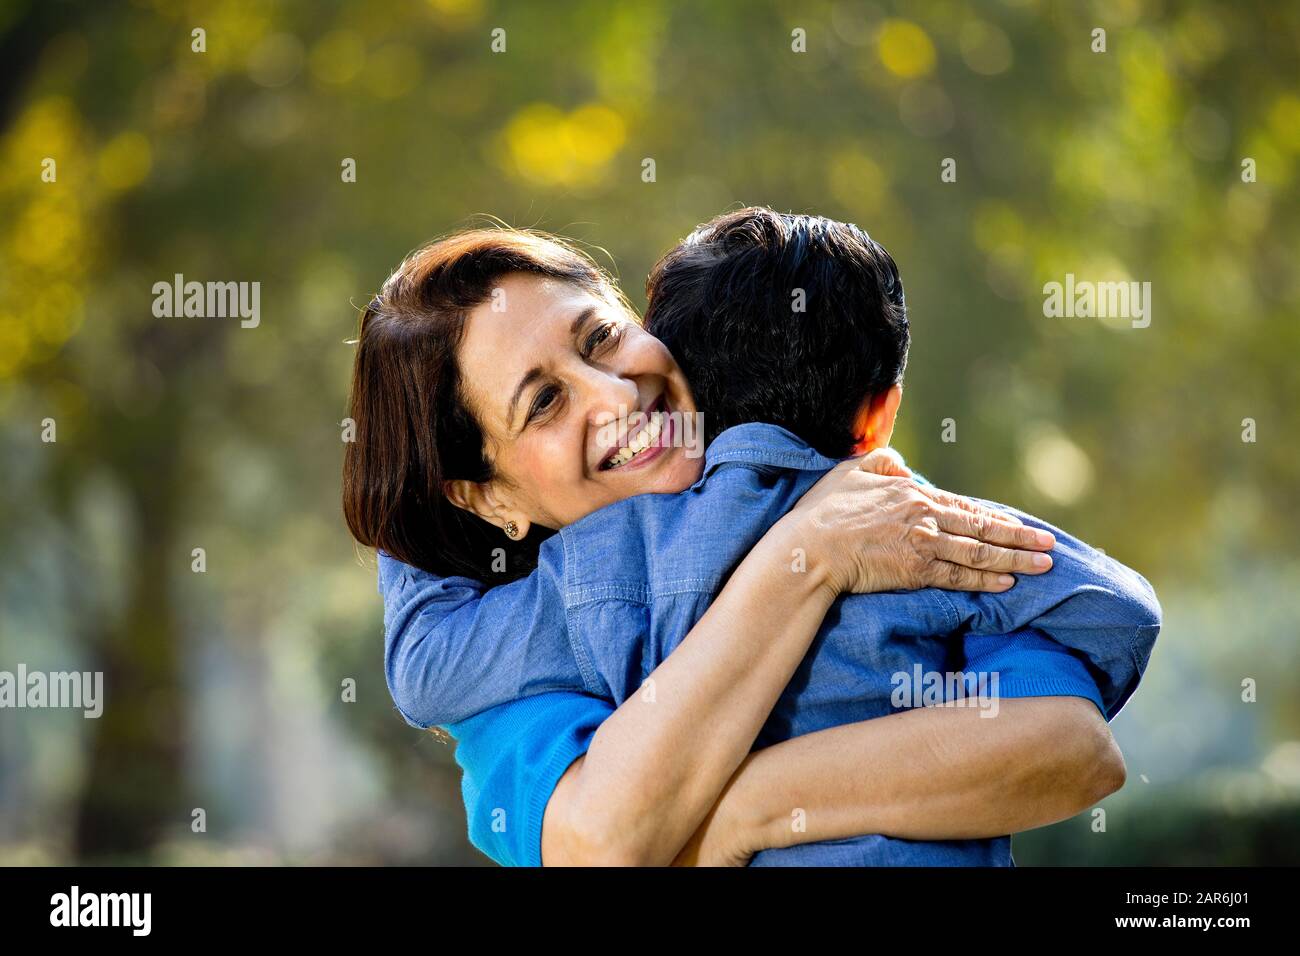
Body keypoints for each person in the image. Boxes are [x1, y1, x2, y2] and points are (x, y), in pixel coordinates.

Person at [345, 215, 1154, 865]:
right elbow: (601, 846)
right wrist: (808, 559)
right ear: (491, 499)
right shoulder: (512, 682)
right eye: (545, 403)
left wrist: (727, 818)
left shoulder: (874, 510)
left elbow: (1071, 748)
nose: (616, 394)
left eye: (599, 339)